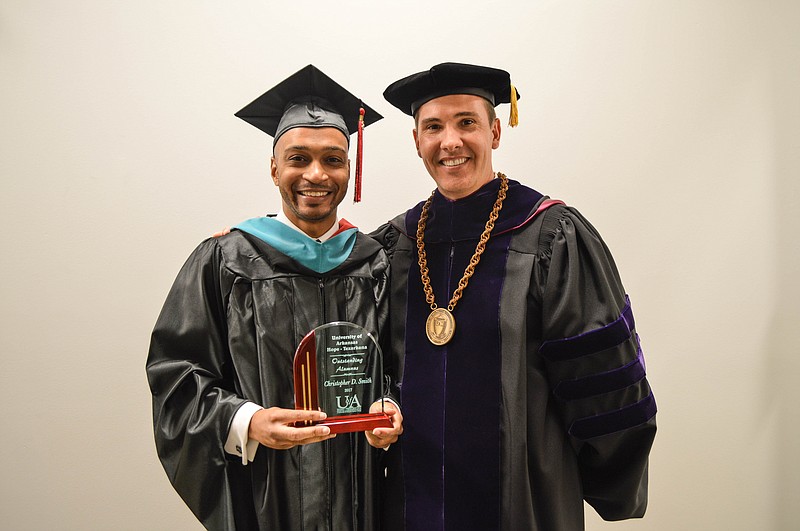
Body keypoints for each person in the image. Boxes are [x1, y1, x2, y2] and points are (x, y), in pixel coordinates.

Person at [370, 62, 657, 531]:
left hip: (522, 500)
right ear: (416, 140)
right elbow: (357, 356)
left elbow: (601, 380)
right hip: (408, 498)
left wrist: (598, 475)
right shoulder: (392, 244)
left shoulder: (551, 236)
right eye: (434, 127)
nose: (451, 142)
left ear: (496, 131)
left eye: (467, 123)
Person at [146, 64, 403, 531]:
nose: (316, 174)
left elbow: (404, 365)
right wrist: (247, 421)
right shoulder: (227, 260)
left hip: (362, 497)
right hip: (268, 497)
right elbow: (176, 376)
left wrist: (391, 406)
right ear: (273, 168)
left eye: (333, 159)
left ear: (351, 167)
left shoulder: (376, 263)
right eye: (298, 158)